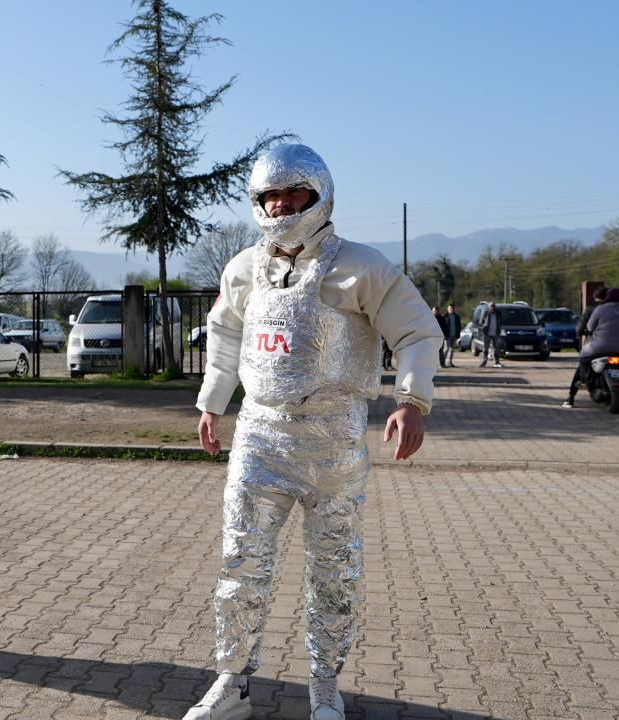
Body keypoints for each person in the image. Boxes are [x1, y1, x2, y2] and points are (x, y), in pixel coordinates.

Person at [186, 144, 441, 720]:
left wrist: (411, 400)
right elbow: (225, 335)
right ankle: (232, 683)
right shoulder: (243, 269)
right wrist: (212, 404)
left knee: (333, 567)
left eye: (293, 193)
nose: (281, 205)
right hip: (259, 434)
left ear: (319, 196)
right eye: (270, 195)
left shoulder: (362, 267)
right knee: (240, 560)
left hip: (332, 443)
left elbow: (418, 332)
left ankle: (325, 686)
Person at [562, 288, 619, 408]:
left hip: (601, 346)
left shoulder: (599, 309)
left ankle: (576, 389)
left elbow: (590, 327)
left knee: (583, 359)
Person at [575, 286, 609, 351]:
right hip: (611, 342)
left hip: (593, 341)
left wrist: (584, 333)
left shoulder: (590, 309)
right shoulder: (613, 309)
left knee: (585, 355)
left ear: (594, 296)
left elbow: (579, 328)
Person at [479, 301, 504, 368]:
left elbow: (501, 322)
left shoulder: (498, 313)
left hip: (496, 333)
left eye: (493, 306)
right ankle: (484, 363)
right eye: (491, 306)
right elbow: (481, 321)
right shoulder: (486, 313)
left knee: (496, 348)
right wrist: (483, 327)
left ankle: (496, 362)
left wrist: (499, 328)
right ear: (489, 307)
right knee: (485, 349)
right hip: (487, 333)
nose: (492, 308)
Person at [442, 302, 461, 367]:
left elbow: (459, 326)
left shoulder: (456, 316)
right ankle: (442, 362)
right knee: (446, 349)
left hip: (454, 335)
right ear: (447, 309)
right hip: (447, 335)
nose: (451, 309)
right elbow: (443, 326)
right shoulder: (445, 316)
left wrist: (458, 335)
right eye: (450, 308)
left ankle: (450, 362)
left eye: (452, 308)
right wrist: (444, 335)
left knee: (452, 350)